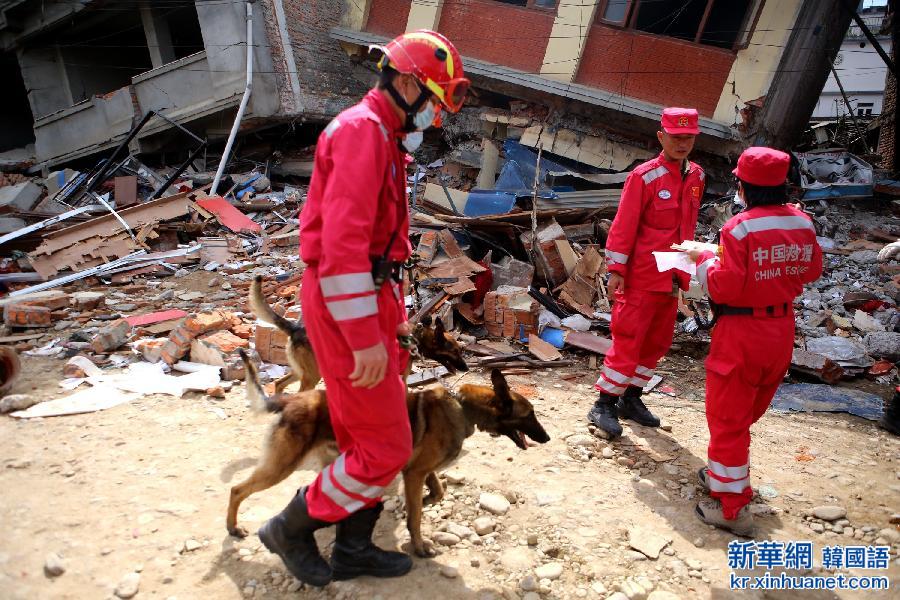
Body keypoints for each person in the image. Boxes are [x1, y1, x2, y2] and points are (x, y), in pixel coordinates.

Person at [257, 30, 469, 586]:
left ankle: (353, 546)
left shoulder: (381, 136)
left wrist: (389, 316)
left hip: (368, 298)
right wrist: (363, 336)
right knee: (390, 443)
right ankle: (290, 527)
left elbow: (377, 244)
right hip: (346, 300)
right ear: (405, 84)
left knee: (362, 434)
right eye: (434, 103)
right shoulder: (362, 134)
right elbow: (344, 246)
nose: (436, 119)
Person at [686, 147, 823, 536]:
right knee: (746, 411)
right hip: (780, 329)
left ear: (743, 185)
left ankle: (731, 509)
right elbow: (811, 270)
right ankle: (722, 473)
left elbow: (725, 287)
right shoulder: (802, 221)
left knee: (728, 419)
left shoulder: (739, 228)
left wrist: (704, 260)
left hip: (741, 332)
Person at [589, 108, 705, 438]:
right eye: (676, 137)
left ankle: (631, 398)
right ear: (661, 137)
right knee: (628, 340)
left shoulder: (696, 175)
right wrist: (616, 270)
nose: (683, 143)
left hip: (671, 274)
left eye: (689, 137)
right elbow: (624, 227)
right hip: (640, 274)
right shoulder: (644, 177)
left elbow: (687, 227)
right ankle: (604, 404)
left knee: (657, 341)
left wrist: (690, 271)